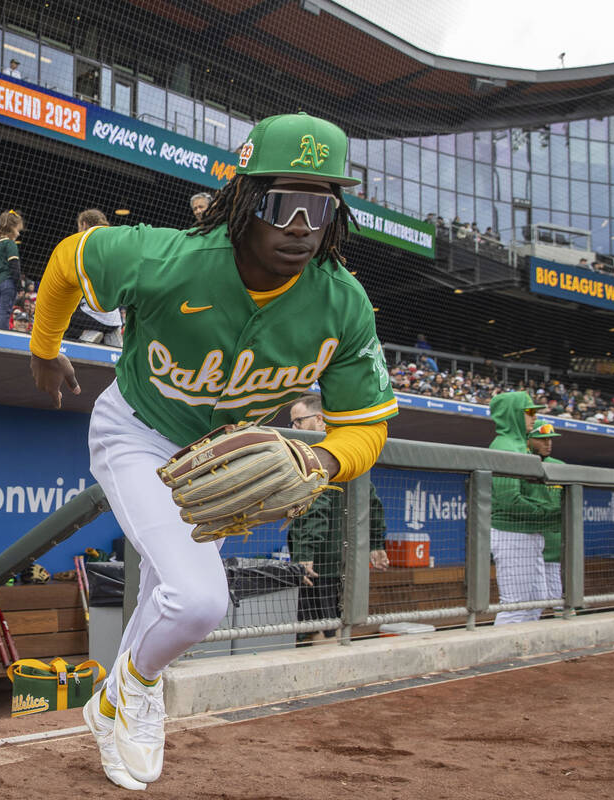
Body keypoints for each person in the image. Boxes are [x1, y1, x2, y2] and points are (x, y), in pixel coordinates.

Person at [28, 112, 395, 789]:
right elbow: (66, 260)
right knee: (200, 602)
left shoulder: (343, 303)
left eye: (321, 207)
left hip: (224, 458)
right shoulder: (166, 258)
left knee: (176, 594)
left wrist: (320, 460)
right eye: (285, 204)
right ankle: (134, 693)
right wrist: (44, 349)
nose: (302, 227)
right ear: (245, 199)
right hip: (137, 430)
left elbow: (366, 425)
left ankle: (113, 696)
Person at [285, 394, 389, 645]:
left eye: (298, 421)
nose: (294, 428)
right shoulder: (350, 451)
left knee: (319, 633)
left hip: (318, 566)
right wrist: (376, 543)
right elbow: (372, 501)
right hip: (344, 564)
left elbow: (316, 508)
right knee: (338, 628)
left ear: (320, 420)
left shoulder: (320, 455)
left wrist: (304, 553)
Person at [488, 391, 558, 625]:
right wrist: (549, 514)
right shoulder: (506, 446)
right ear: (513, 414)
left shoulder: (519, 445)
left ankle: (520, 651)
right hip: (511, 534)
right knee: (515, 606)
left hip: (526, 532)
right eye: (529, 412)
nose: (533, 416)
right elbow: (509, 500)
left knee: (536, 600)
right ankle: (501, 658)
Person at [67, 210, 123, 346]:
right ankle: (97, 334)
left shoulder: (84, 245)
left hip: (93, 315)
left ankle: (88, 336)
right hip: (114, 318)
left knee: (63, 316)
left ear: (84, 224)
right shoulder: (114, 244)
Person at [525, 422, 565, 610]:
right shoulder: (519, 463)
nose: (548, 443)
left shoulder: (559, 467)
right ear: (528, 440)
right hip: (530, 535)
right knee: (530, 594)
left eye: (550, 439)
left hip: (553, 537)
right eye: (542, 439)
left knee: (554, 586)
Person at [0, 210, 23, 329]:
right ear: (11, 228)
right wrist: (19, 286)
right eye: (17, 230)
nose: (18, 234)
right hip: (8, 282)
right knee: (5, 311)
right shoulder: (10, 244)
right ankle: (2, 337)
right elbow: (14, 266)